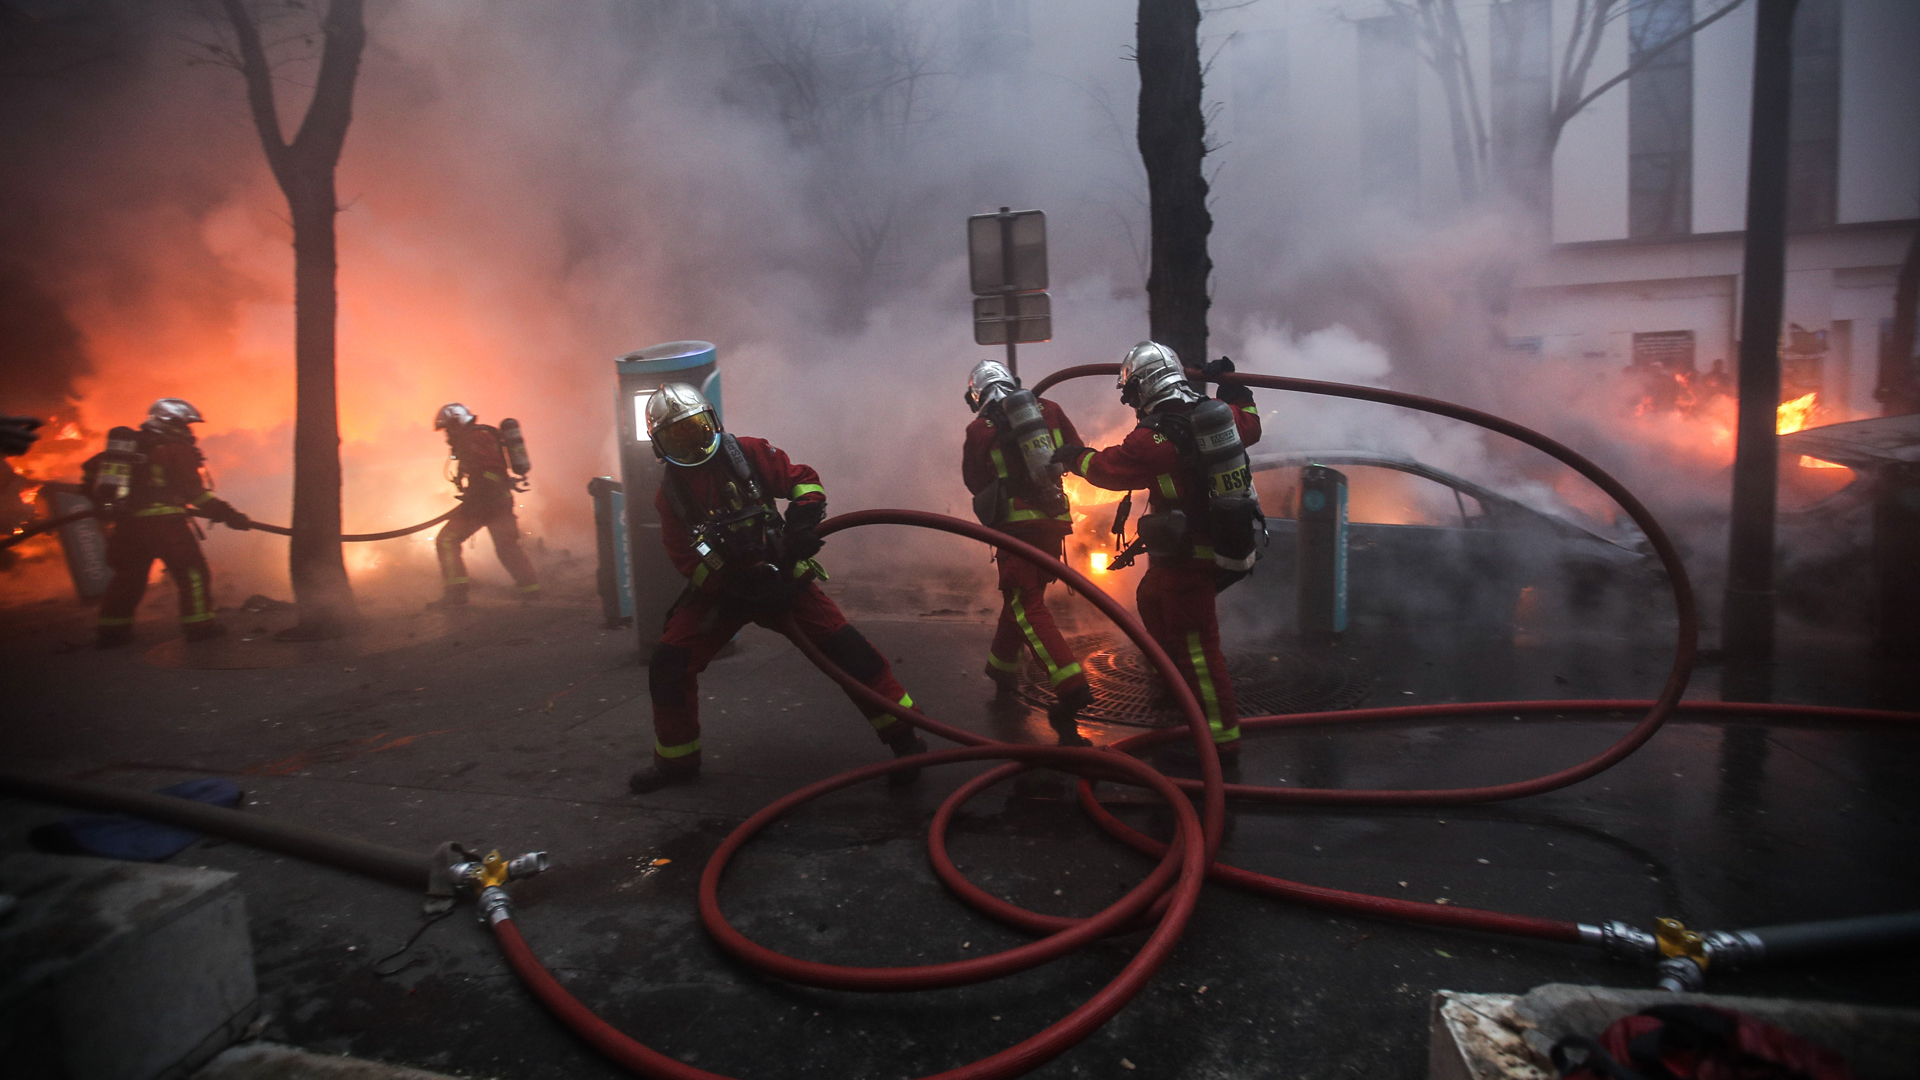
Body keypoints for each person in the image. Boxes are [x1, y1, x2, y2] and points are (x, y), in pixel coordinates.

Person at [629, 383, 927, 794]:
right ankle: (676, 762)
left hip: (781, 576)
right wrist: (728, 589)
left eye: (694, 428)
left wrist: (802, 525)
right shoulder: (672, 494)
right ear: (659, 446)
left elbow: (804, 481)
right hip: (727, 592)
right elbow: (685, 558)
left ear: (711, 422)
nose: (690, 442)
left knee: (849, 654)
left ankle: (907, 741)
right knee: (669, 664)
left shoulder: (746, 453)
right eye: (675, 435)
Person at [1053, 342, 1261, 769]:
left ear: (1143, 388)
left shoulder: (1153, 438)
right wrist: (1235, 388)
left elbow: (1109, 470)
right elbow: (1253, 427)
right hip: (1223, 540)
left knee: (1199, 646)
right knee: (1150, 598)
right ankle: (1172, 685)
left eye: (1130, 394)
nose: (1131, 404)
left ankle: (1222, 742)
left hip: (1190, 554)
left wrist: (1073, 457)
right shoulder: (1219, 416)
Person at [960, 359, 1095, 744]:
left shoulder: (978, 429)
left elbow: (974, 481)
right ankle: (1002, 669)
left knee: (1026, 604)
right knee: (1023, 597)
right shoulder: (1048, 409)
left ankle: (1070, 685)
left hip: (1015, 529)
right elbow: (1074, 450)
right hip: (1055, 523)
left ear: (977, 396)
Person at [86, 399, 250, 647]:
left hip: (128, 527)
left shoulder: (127, 448)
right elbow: (196, 494)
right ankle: (200, 627)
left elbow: (90, 469)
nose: (187, 430)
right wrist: (228, 514)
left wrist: (96, 497)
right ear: (169, 422)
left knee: (127, 578)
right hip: (166, 527)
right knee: (192, 573)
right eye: (183, 424)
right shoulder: (175, 448)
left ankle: (112, 633)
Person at [431, 404, 539, 607]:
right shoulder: (475, 437)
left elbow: (491, 471)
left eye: (448, 428)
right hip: (498, 500)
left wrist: (475, 496)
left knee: (447, 540)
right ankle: (530, 588)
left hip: (485, 503)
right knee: (507, 546)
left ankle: (456, 594)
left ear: (457, 422)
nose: (447, 434)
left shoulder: (475, 437)